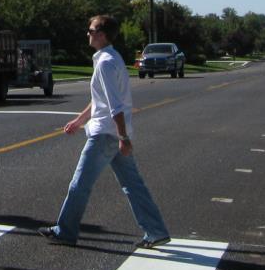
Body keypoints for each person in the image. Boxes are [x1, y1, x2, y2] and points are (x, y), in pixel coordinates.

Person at [38, 15, 170, 248]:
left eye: (90, 30)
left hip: (105, 136)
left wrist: (123, 138)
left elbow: (115, 105)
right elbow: (100, 99)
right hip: (112, 133)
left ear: (102, 34)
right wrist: (80, 120)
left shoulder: (106, 63)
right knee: (133, 185)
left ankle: (65, 231)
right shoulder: (111, 58)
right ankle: (156, 231)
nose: (87, 34)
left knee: (79, 184)